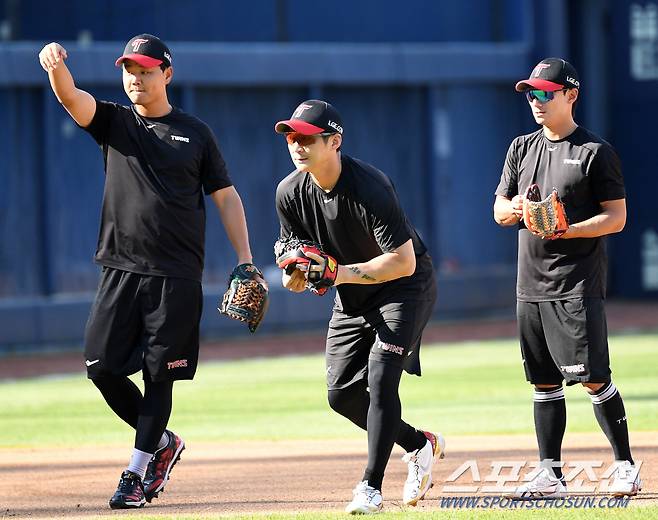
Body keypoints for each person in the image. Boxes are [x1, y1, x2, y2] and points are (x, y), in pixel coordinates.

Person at [38, 34, 264, 509]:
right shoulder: (115, 122)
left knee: (159, 377)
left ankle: (136, 472)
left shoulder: (195, 133)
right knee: (100, 367)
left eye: (145, 69)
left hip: (177, 274)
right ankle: (163, 443)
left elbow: (226, 197)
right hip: (119, 268)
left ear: (167, 74)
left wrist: (245, 258)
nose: (136, 78)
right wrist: (56, 67)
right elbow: (71, 98)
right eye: (129, 70)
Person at [273, 100, 444, 514]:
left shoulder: (370, 185)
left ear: (334, 141)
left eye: (307, 137)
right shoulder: (289, 192)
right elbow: (294, 273)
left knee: (383, 378)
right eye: (291, 137)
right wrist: (295, 276)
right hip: (351, 296)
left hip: (404, 287)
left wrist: (336, 274)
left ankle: (370, 487)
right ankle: (419, 444)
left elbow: (402, 262)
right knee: (341, 396)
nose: (297, 144)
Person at [493, 58, 641, 499]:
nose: (536, 101)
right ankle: (550, 473)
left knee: (593, 377)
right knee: (543, 382)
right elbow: (498, 209)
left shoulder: (595, 152)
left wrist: (567, 229)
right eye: (531, 94)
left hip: (576, 282)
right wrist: (516, 209)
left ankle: (625, 466)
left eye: (545, 93)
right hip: (530, 282)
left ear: (570, 95)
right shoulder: (521, 148)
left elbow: (616, 218)